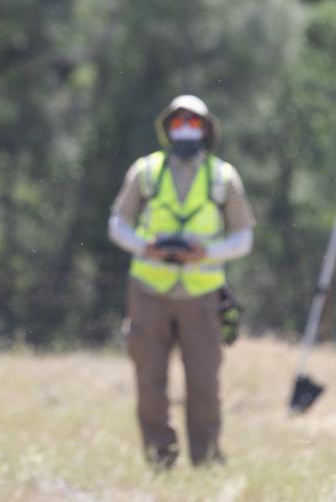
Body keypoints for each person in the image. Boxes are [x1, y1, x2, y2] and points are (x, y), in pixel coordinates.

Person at [108, 94, 256, 468]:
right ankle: (160, 460)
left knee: (205, 384)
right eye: (179, 123)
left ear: (206, 129)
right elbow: (117, 223)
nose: (186, 129)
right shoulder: (144, 171)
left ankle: (207, 461)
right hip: (149, 291)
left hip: (202, 294)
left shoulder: (225, 177)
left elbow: (244, 238)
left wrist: (205, 253)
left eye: (194, 123)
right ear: (167, 129)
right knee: (149, 382)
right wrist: (146, 248)